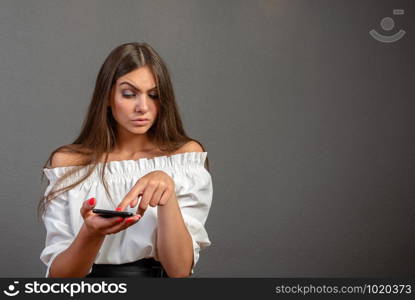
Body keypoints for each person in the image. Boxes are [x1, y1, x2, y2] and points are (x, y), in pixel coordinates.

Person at [38, 42, 213, 278]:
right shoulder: (69, 164)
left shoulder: (183, 160)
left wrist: (167, 191)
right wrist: (91, 234)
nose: (143, 107)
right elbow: (59, 279)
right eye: (129, 94)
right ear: (108, 97)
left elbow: (180, 270)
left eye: (154, 95)